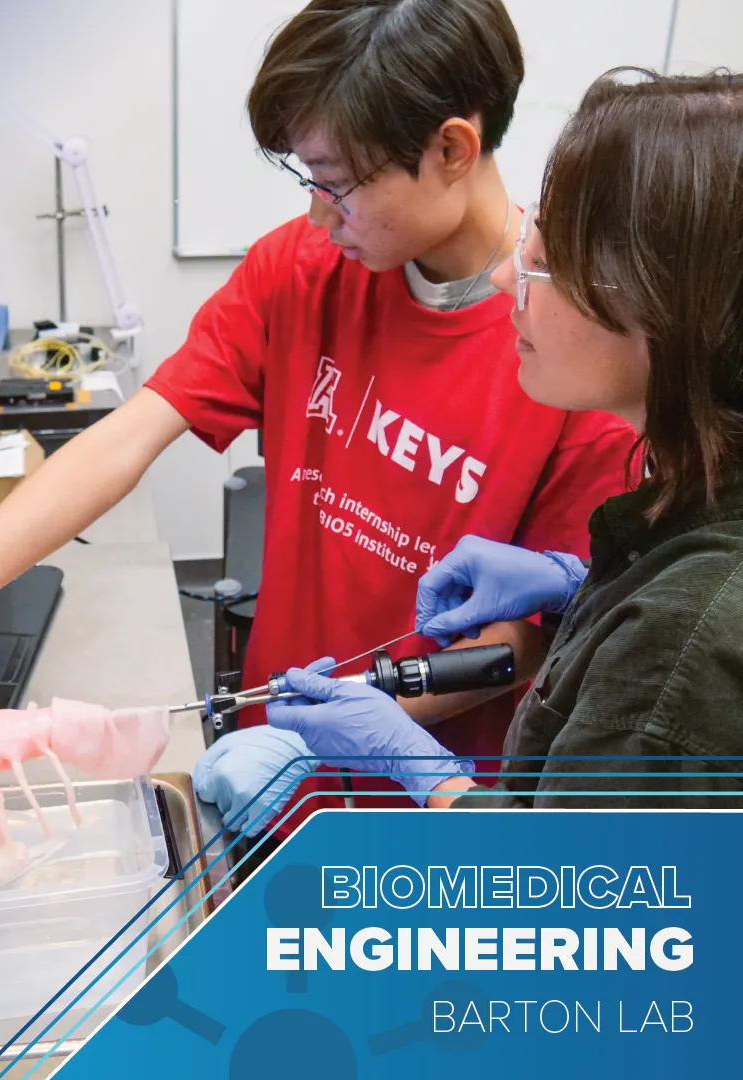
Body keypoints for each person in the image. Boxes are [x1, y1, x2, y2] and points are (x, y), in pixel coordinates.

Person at [0, 0, 635, 819]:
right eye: (306, 179)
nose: (318, 214)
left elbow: (531, 635)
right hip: (259, 761)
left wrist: (327, 741)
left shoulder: (568, 352)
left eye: (339, 184)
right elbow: (133, 434)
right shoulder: (301, 269)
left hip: (422, 805)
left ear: (450, 148)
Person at [195, 67, 743, 824]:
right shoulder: (692, 498)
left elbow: (574, 911)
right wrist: (578, 583)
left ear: (668, 307)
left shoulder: (682, 645)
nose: (509, 275)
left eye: (550, 258)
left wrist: (419, 769)